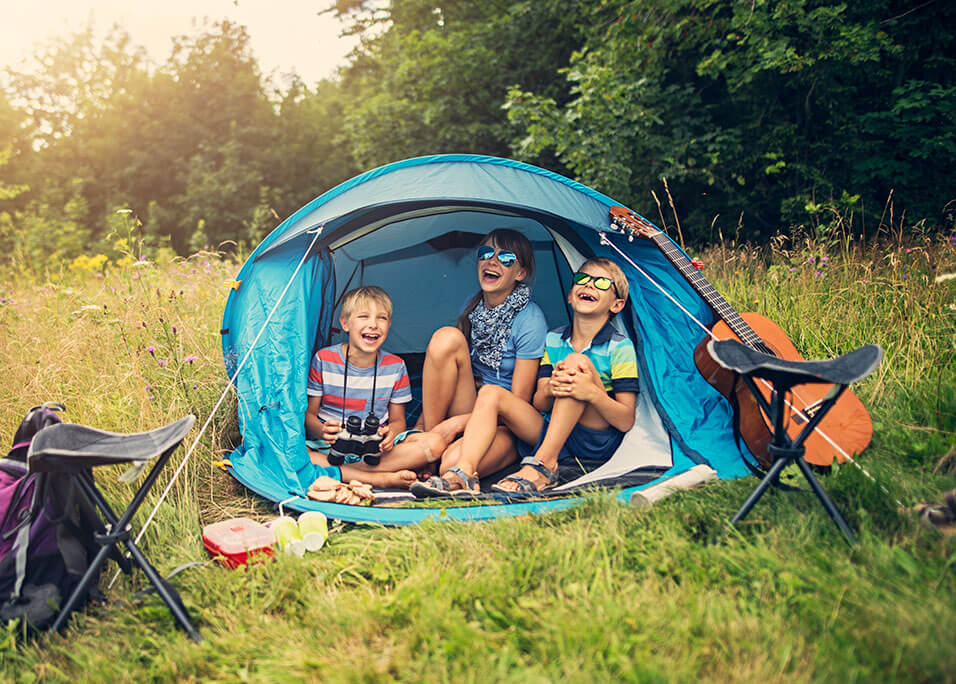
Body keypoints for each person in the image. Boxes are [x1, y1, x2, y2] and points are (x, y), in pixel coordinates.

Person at [416, 257, 639, 496]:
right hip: (548, 428)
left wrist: (592, 393)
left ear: (617, 305)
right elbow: (539, 403)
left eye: (602, 283)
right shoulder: (554, 339)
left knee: (575, 364)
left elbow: (625, 419)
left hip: (591, 438)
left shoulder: (619, 347)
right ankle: (464, 472)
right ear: (570, 295)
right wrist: (550, 388)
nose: (589, 285)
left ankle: (544, 464)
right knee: (491, 393)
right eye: (582, 279)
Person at [411, 228, 548, 492]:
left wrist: (456, 424)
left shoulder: (530, 320)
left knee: (449, 464)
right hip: (473, 399)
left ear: (520, 274)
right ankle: (429, 435)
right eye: (486, 253)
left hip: (506, 421)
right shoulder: (471, 307)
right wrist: (429, 427)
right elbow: (457, 368)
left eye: (506, 258)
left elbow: (517, 404)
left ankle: (449, 459)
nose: (492, 261)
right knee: (446, 337)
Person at [305, 286, 450, 490]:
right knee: (298, 453)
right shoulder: (324, 359)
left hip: (375, 451)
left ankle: (350, 474)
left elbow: (398, 421)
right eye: (364, 316)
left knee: (435, 443)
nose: (373, 325)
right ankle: (379, 479)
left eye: (381, 318)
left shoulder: (396, 366)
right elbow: (309, 415)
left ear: (389, 325)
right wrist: (322, 431)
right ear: (345, 323)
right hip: (330, 448)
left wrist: (391, 434)